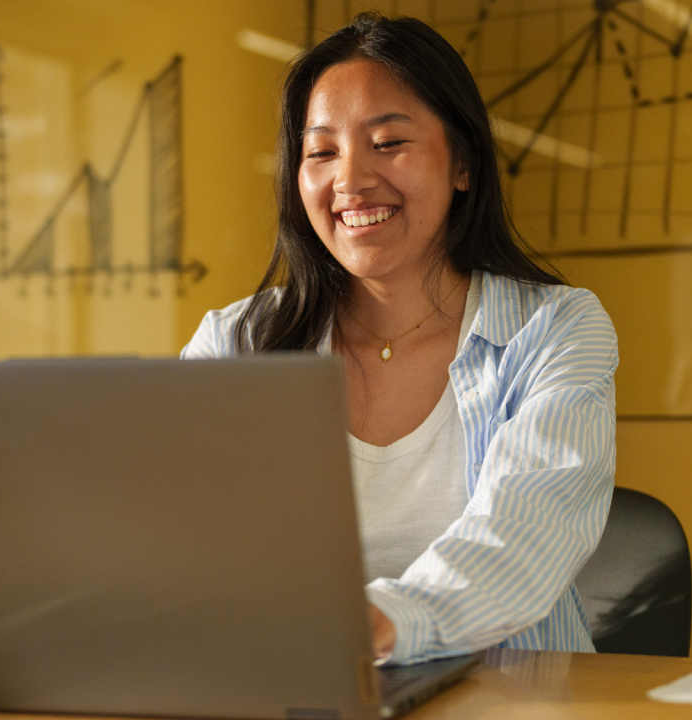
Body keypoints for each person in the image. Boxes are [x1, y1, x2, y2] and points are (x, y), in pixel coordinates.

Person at [182, 12, 617, 665]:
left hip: (506, 698)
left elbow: (524, 539)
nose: (351, 180)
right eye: (321, 151)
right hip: (290, 694)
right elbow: (170, 535)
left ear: (463, 163)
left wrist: (367, 628)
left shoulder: (555, 329)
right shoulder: (238, 343)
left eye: (387, 142)